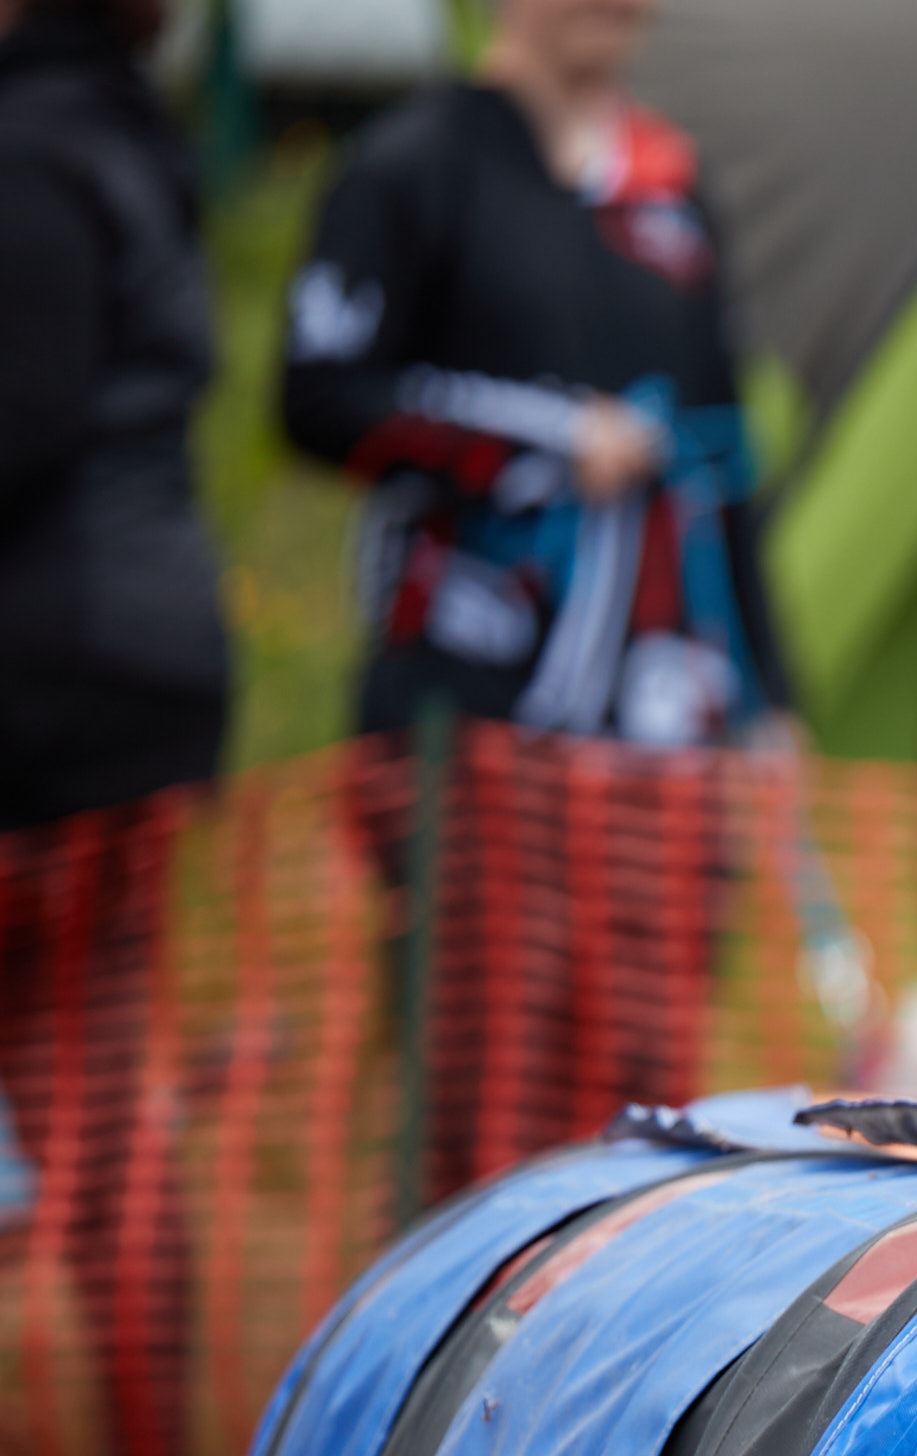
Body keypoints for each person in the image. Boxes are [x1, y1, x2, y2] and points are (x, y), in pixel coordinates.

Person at [280, 0, 792, 1196]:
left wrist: (769, 694)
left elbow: (725, 458)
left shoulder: (671, 184)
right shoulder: (410, 166)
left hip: (660, 724)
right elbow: (318, 397)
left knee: (649, 1090)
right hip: (471, 718)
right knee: (482, 1088)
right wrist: (545, 436)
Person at [0, 0, 222, 1456]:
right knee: (98, 1086)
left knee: (82, 1088)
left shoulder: (31, 156)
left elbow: (17, 427)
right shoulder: (138, 141)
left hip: (47, 677)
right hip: (149, 654)